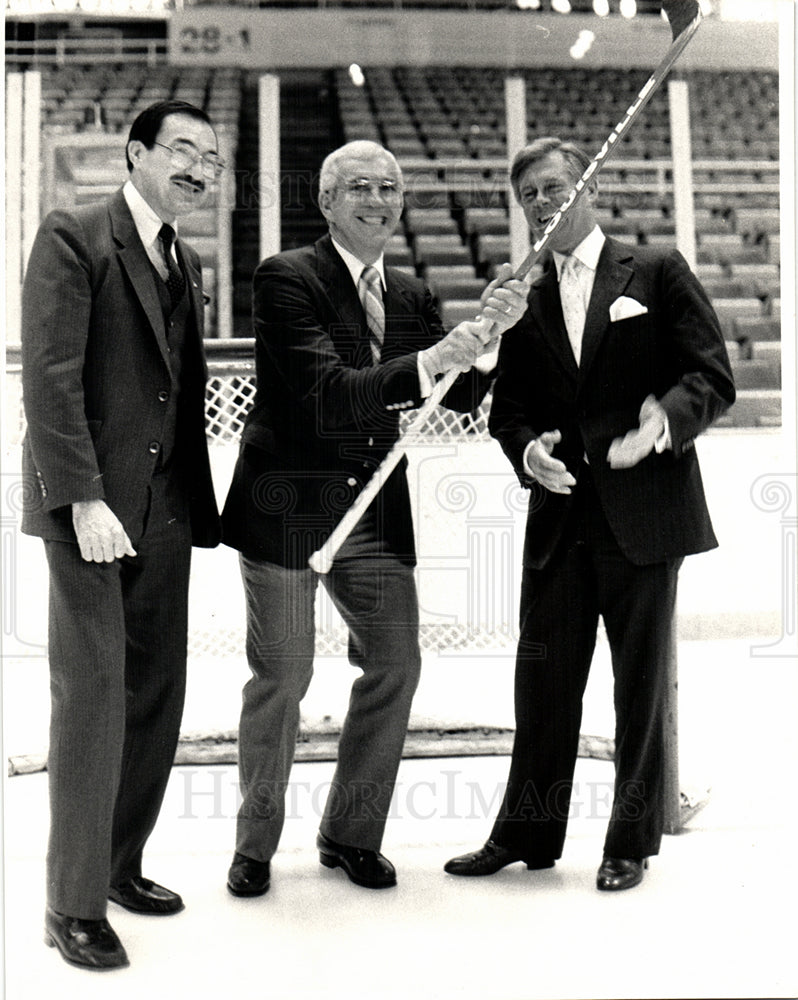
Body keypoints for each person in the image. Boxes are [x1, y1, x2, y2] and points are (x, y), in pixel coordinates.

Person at [221, 139, 530, 895]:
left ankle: (351, 833)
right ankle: (254, 845)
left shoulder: (415, 296)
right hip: (287, 510)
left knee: (395, 665)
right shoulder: (284, 278)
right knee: (284, 676)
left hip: (372, 511)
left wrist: (485, 345)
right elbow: (328, 391)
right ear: (326, 201)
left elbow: (453, 400)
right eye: (359, 185)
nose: (378, 198)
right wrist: (430, 361)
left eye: (391, 187)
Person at [445, 137, 735, 891]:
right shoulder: (526, 296)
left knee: (638, 688)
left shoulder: (659, 270)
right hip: (560, 521)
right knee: (541, 685)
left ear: (588, 188)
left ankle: (629, 842)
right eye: (528, 197)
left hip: (645, 515)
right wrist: (525, 454)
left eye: (551, 188)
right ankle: (528, 837)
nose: (542, 204)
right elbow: (506, 411)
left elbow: (712, 375)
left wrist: (662, 423)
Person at [20, 100, 222, 970]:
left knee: (155, 697)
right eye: (182, 150)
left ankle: (117, 865)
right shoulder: (74, 235)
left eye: (210, 159)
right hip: (93, 514)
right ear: (136, 154)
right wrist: (81, 499)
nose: (199, 168)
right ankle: (68, 905)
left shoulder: (188, 259)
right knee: (95, 701)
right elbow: (52, 378)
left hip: (165, 511)